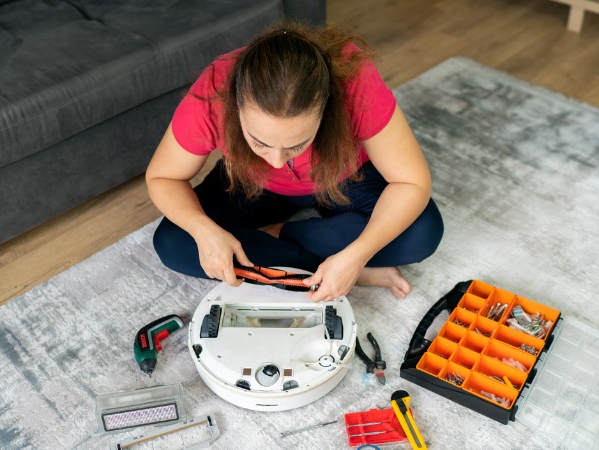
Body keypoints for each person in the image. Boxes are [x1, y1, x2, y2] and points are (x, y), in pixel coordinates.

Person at [146, 22, 443, 302]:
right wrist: (203, 230)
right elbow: (163, 177)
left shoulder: (355, 82)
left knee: (422, 232)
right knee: (174, 242)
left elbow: (411, 182)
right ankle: (329, 267)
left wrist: (357, 255)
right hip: (251, 184)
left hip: (343, 178)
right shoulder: (214, 92)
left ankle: (286, 240)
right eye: (259, 142)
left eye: (297, 145)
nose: (276, 161)